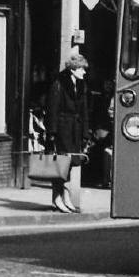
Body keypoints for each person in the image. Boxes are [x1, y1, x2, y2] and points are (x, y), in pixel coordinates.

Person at [45, 53, 91, 213]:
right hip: (62, 130)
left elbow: (84, 110)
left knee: (69, 164)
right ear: (73, 69)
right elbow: (52, 109)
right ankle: (57, 198)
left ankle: (63, 197)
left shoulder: (81, 85)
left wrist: (85, 133)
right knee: (61, 164)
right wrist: (52, 133)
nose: (84, 72)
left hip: (74, 130)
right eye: (81, 69)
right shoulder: (59, 84)